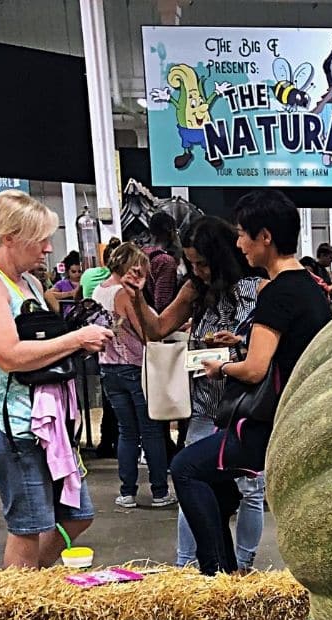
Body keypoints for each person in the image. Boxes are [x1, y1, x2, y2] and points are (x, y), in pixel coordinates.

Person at [171, 190, 331, 575]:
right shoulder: (309, 287)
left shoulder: (276, 291)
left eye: (243, 234)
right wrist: (243, 341)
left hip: (268, 424)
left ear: (265, 237)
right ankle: (226, 570)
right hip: (295, 417)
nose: (238, 243)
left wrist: (220, 368)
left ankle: (218, 575)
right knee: (218, 487)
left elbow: (256, 369)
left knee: (185, 468)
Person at [0, 190, 113, 567]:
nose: (49, 249)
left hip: (44, 421)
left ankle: (34, 583)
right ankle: (16, 610)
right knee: (28, 524)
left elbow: (42, 346)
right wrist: (75, 339)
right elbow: (8, 356)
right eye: (40, 240)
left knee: (77, 514)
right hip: (9, 422)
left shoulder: (31, 284)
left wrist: (75, 345)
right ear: (9, 238)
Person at [126, 215, 263, 568]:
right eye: (191, 263)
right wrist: (138, 297)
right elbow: (157, 329)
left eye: (203, 263)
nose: (198, 270)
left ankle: (244, 568)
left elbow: (270, 347)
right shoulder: (194, 290)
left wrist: (241, 343)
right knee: (190, 482)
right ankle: (187, 565)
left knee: (251, 490)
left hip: (247, 407)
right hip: (205, 407)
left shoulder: (258, 289)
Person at [92, 243, 177, 509]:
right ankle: (160, 492)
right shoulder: (123, 294)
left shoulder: (99, 289)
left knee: (126, 432)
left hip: (107, 366)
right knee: (151, 431)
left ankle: (127, 492)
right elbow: (147, 333)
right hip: (134, 367)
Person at [144, 211, 182, 312]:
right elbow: (162, 303)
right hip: (157, 319)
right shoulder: (165, 261)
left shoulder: (141, 253)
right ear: (171, 232)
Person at [52, 252, 82, 316]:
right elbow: (50, 294)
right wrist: (70, 293)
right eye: (73, 272)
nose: (77, 274)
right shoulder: (62, 283)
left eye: (80, 271)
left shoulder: (84, 282)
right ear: (68, 272)